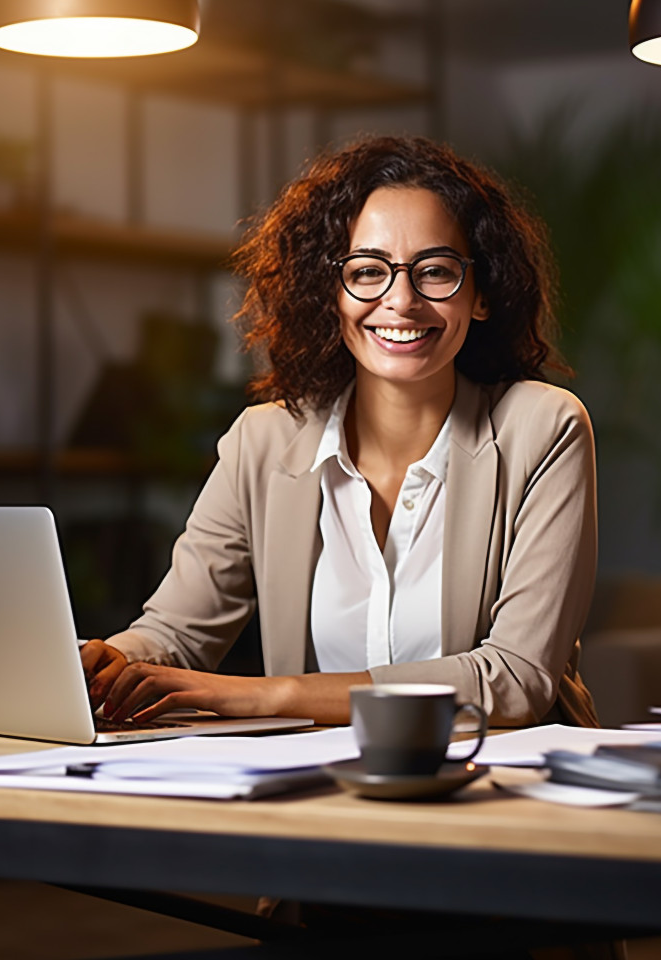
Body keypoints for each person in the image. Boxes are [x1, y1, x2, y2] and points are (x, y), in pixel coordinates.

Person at [80, 134, 599, 731]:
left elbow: (513, 680)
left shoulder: (545, 428)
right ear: (329, 292)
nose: (400, 301)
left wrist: (268, 696)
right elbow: (176, 633)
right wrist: (113, 660)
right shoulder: (264, 441)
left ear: (480, 294)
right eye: (368, 271)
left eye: (434, 271)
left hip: (502, 793)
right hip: (320, 792)